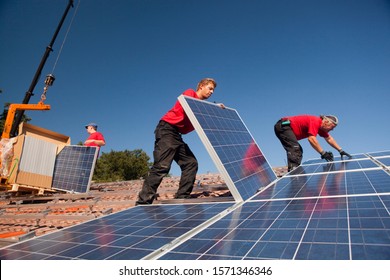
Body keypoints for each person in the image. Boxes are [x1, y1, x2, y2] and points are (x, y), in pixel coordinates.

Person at [136, 78, 223, 205]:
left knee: (190, 163)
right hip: (166, 129)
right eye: (210, 88)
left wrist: (213, 111)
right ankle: (143, 202)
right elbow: (191, 105)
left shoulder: (200, 110)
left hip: (176, 134)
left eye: (213, 90)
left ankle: (182, 196)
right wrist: (212, 107)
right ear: (201, 86)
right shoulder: (190, 94)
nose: (212, 92)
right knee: (162, 166)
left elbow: (193, 122)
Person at [274, 114, 351, 171]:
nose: (332, 129)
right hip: (283, 126)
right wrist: (323, 153)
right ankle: (294, 174)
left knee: (298, 151)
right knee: (295, 149)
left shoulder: (321, 128)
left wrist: (340, 150)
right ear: (326, 122)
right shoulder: (315, 121)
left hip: (286, 128)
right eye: (332, 127)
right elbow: (311, 139)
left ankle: (294, 171)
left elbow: (329, 138)